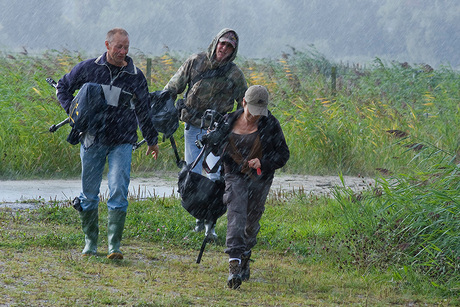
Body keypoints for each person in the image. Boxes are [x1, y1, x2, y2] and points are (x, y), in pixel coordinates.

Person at [56, 28, 160, 259]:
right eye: (118, 47)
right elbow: (62, 87)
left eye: (126, 47)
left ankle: (114, 247)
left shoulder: (136, 76)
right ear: (107, 45)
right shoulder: (88, 68)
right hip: (92, 139)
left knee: (118, 191)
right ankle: (90, 244)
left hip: (122, 141)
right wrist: (73, 112)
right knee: (89, 193)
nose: (123, 52)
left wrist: (152, 140)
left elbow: (144, 110)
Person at [164, 28, 247, 239]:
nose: (224, 48)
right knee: (192, 176)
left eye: (230, 46)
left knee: (213, 177)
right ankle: (199, 221)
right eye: (223, 43)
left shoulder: (235, 74)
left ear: (233, 51)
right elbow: (174, 86)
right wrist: (163, 105)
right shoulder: (195, 61)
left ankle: (211, 226)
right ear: (216, 42)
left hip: (217, 132)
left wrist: (240, 127)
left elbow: (244, 104)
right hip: (192, 126)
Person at [215, 85, 290, 289]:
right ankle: (234, 266)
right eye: (252, 112)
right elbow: (218, 150)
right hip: (234, 175)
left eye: (260, 113)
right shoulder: (227, 121)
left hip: (260, 178)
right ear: (243, 103)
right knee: (236, 215)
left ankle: (246, 253)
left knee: (251, 222)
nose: (256, 117)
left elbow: (283, 154)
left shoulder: (270, 124)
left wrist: (263, 163)